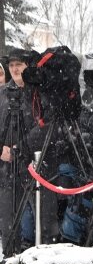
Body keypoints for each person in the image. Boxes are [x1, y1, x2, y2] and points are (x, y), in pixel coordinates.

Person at [0, 48, 62, 252]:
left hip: (38, 161)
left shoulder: (40, 92)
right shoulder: (3, 95)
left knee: (45, 218)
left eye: (19, 65)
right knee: (9, 218)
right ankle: (11, 261)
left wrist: (21, 148)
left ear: (28, 67)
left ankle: (45, 263)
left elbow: (47, 126)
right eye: (11, 65)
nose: (15, 69)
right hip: (7, 165)